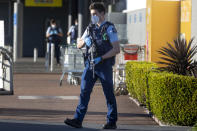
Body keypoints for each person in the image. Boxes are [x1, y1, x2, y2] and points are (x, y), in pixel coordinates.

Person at [64, 2, 120, 129]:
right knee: (84, 92)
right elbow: (78, 45)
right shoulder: (90, 28)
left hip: (104, 65)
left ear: (102, 13)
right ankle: (78, 120)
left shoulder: (109, 28)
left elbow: (116, 49)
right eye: (91, 14)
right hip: (90, 65)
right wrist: (84, 41)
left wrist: (102, 57)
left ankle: (112, 121)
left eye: (95, 14)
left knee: (108, 94)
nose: (93, 16)